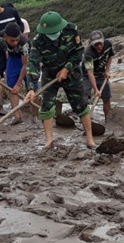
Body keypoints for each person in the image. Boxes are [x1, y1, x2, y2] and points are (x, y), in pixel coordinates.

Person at [24, 11, 96, 149]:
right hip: (50, 73)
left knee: (81, 104)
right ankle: (49, 142)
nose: (52, 35)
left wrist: (66, 69)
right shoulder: (38, 41)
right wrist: (32, 88)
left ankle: (90, 139)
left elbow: (78, 52)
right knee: (46, 106)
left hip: (72, 73)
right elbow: (32, 63)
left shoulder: (72, 30)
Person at [82, 30, 115, 121]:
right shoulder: (88, 53)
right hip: (87, 76)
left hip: (101, 75)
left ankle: (107, 120)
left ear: (103, 40)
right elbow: (90, 73)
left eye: (100, 43)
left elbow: (109, 57)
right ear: (91, 44)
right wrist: (96, 89)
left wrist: (107, 71)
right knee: (84, 97)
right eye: (96, 44)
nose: (99, 46)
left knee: (106, 97)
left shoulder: (108, 45)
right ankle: (85, 119)